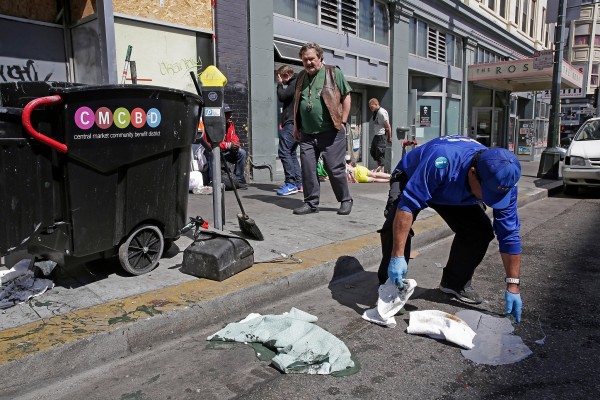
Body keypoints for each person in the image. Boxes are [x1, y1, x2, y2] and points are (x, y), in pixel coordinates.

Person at [378, 135, 523, 323]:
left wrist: (513, 285)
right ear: (472, 173)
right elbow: (408, 206)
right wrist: (397, 256)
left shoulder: (504, 179)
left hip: (453, 190)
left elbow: (509, 234)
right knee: (394, 228)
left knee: (479, 231)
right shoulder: (443, 160)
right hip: (414, 176)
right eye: (488, 193)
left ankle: (454, 283)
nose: (491, 201)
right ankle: (390, 287)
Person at [292, 42, 353, 216]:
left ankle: (345, 200)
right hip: (307, 133)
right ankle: (311, 203)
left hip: (331, 131)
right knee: (308, 168)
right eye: (305, 60)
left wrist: (343, 121)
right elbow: (298, 103)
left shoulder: (334, 72)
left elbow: (347, 96)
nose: (309, 63)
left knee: (334, 168)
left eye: (311, 59)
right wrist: (297, 127)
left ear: (320, 58)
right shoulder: (301, 77)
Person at [276, 65, 302, 196]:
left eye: (280, 77)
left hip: (292, 124)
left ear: (286, 75)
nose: (279, 80)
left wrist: (279, 85)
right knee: (291, 152)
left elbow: (282, 96)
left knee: (284, 151)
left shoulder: (295, 83)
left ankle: (291, 183)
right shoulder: (296, 83)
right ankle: (299, 183)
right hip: (292, 123)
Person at [221, 103, 248, 188]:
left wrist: (236, 145)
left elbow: (234, 138)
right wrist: (229, 145)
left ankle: (239, 180)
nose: (231, 116)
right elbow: (211, 143)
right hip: (216, 153)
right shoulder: (215, 126)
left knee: (242, 153)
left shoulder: (230, 124)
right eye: (228, 115)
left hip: (227, 152)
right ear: (221, 115)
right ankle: (213, 180)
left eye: (230, 114)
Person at [368, 98, 392, 173]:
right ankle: (379, 169)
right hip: (377, 135)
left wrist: (389, 137)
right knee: (373, 152)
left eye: (372, 107)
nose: (371, 108)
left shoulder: (382, 112)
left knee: (380, 153)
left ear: (376, 104)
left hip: (381, 136)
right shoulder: (376, 112)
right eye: (370, 107)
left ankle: (382, 172)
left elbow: (388, 126)